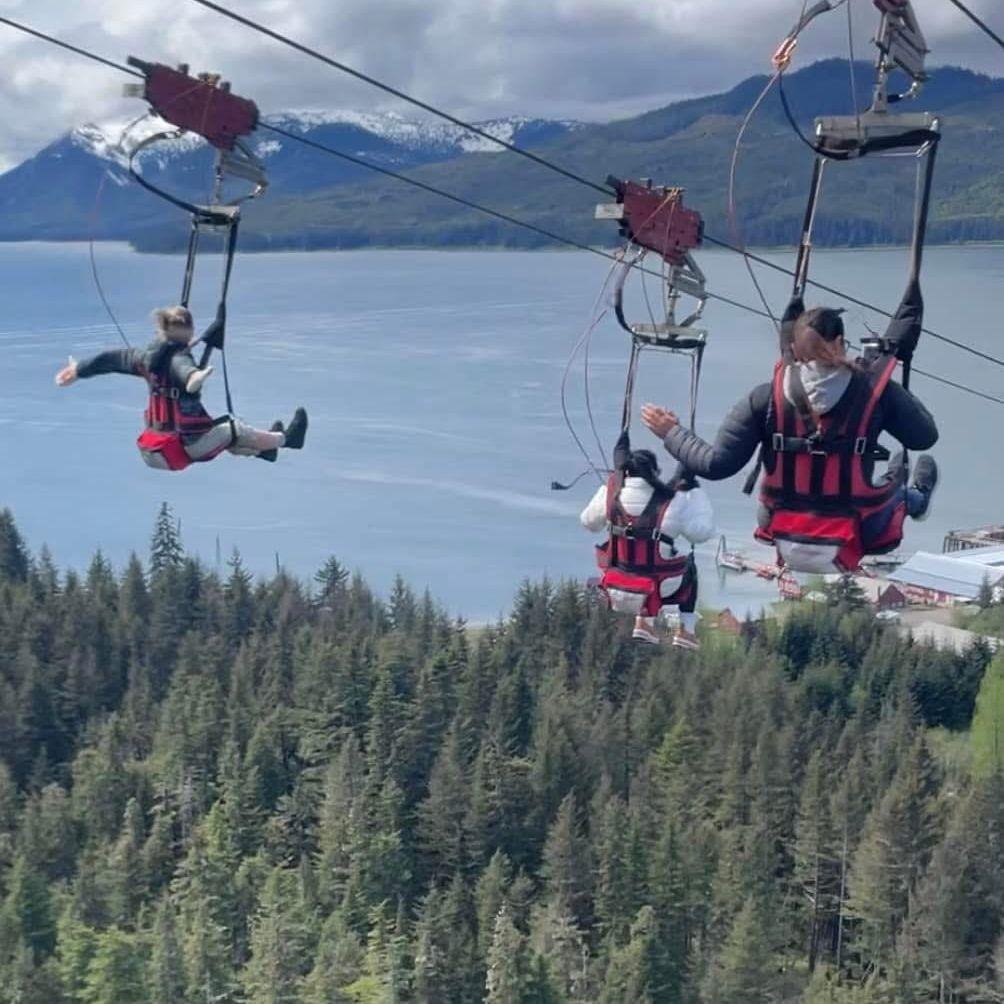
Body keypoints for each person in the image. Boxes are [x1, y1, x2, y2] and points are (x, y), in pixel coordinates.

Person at [640, 294, 938, 574]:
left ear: (793, 350)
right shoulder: (875, 393)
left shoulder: (766, 397)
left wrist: (671, 432)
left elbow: (715, 465)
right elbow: (924, 437)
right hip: (856, 532)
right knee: (898, 474)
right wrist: (889, 388)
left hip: (783, 530)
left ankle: (909, 494)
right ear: (841, 343)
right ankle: (917, 499)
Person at [55, 306, 307, 471]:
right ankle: (285, 440)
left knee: (223, 433)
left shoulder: (143, 358)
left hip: (154, 449)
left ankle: (264, 451)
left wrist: (78, 371)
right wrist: (196, 377)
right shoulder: (179, 359)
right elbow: (185, 371)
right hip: (182, 447)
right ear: (188, 333)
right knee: (233, 428)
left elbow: (109, 360)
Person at [581, 438, 714, 648]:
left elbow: (588, 522)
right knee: (689, 567)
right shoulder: (674, 501)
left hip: (616, 585)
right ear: (655, 473)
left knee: (643, 567)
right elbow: (701, 534)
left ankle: (645, 621)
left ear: (626, 473)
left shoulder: (611, 494)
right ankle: (685, 630)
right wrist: (695, 494)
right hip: (661, 588)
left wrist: (606, 496)